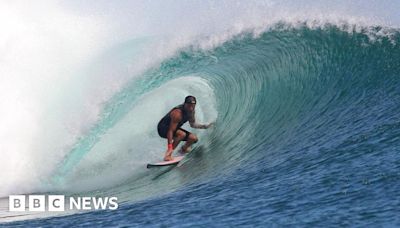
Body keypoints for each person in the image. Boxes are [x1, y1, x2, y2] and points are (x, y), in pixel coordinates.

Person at [157, 95, 213, 161]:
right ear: (185, 104)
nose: (191, 107)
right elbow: (170, 131)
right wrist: (169, 147)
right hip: (162, 129)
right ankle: (168, 155)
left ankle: (183, 149)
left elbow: (192, 124)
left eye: (193, 105)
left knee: (193, 138)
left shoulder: (191, 111)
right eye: (189, 105)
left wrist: (204, 126)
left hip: (173, 129)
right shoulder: (177, 113)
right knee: (182, 134)